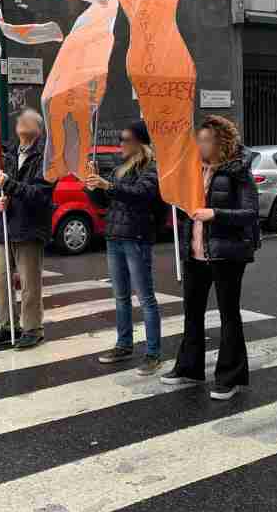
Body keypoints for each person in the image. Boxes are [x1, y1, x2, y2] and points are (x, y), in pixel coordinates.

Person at [161, 115, 260, 401]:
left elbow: (251, 213)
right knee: (192, 312)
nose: (200, 145)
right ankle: (189, 368)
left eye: (206, 140)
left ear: (222, 142)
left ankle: (230, 377)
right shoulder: (194, 170)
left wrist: (215, 214)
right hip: (195, 253)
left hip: (226, 253)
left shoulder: (238, 172)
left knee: (229, 314)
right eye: (199, 139)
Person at [86, 120, 162, 376]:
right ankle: (124, 344)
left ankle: (153, 353)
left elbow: (140, 194)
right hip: (115, 236)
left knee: (145, 298)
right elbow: (103, 201)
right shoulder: (119, 169)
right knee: (120, 297)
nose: (120, 143)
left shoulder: (151, 168)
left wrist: (108, 185)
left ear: (139, 142)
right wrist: (93, 186)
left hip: (137, 238)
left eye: (125, 139)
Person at [0, 109, 54, 350]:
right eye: (20, 119)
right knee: (0, 280)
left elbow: (40, 193)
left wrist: (10, 186)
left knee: (29, 282)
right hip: (5, 227)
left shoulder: (45, 157)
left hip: (29, 227)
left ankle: (33, 328)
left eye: (28, 118)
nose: (21, 120)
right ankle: (7, 326)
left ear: (39, 128)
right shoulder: (9, 154)